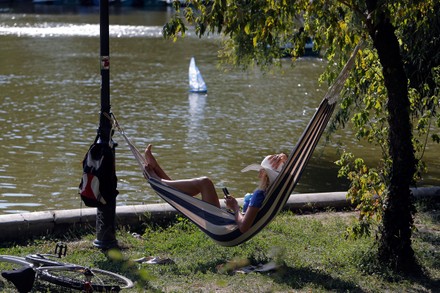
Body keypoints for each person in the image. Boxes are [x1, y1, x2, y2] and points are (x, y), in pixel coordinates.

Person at [144, 144, 287, 233]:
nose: (258, 172)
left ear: (263, 173)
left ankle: (158, 179)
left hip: (224, 226)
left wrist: (235, 207)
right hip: (225, 220)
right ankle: (158, 173)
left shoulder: (259, 195)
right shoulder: (271, 191)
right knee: (189, 192)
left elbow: (243, 227)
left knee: (205, 183)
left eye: (260, 170)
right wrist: (283, 159)